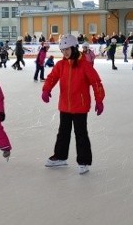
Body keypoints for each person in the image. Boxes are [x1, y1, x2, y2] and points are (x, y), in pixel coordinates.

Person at [41, 35, 105, 175]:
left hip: (80, 106)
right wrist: (46, 89)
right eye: (62, 50)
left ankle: (84, 161)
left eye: (67, 49)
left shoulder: (84, 65)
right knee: (63, 133)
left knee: (81, 134)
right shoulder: (61, 65)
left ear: (74, 47)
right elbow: (52, 78)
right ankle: (60, 157)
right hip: (65, 105)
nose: (65, 52)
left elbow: (96, 82)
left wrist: (99, 100)